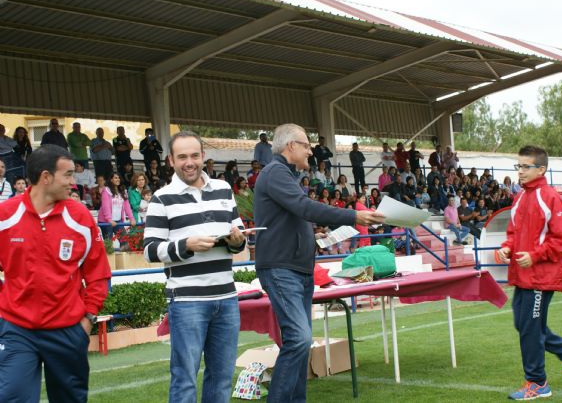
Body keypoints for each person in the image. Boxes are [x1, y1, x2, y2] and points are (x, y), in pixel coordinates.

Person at [253, 123, 384, 403]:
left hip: (298, 269)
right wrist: (354, 216)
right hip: (281, 268)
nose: (310, 150)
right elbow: (304, 207)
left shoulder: (286, 175)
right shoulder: (275, 172)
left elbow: (298, 213)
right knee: (299, 340)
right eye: (305, 144)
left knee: (299, 343)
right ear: (290, 146)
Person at [0, 144, 111, 402]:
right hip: (17, 330)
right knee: (11, 397)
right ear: (46, 177)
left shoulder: (80, 217)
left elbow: (98, 273)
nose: (73, 182)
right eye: (68, 175)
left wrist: (87, 320)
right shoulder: (5, 216)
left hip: (68, 330)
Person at [143, 131, 246, 403]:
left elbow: (240, 240)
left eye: (194, 155)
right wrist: (185, 245)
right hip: (187, 300)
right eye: (182, 157)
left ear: (203, 156)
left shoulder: (224, 189)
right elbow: (150, 250)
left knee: (222, 377)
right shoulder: (162, 198)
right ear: (170, 161)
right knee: (185, 377)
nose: (190, 162)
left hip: (226, 298)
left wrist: (237, 240)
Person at [497, 145, 562, 400]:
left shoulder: (550, 197)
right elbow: (514, 233)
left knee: (530, 329)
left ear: (541, 169)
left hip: (541, 276)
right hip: (522, 275)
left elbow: (561, 240)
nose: (520, 171)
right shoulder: (519, 197)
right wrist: (507, 247)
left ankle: (538, 383)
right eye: (519, 166)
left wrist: (534, 256)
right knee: (525, 326)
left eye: (526, 166)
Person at [97, 173, 136, 240]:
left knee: (125, 241)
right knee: (109, 243)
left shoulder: (123, 191)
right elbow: (105, 206)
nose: (118, 179)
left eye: (119, 178)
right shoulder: (106, 190)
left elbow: (127, 206)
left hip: (118, 221)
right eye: (115, 178)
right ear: (111, 180)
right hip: (106, 221)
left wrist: (132, 218)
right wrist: (109, 220)